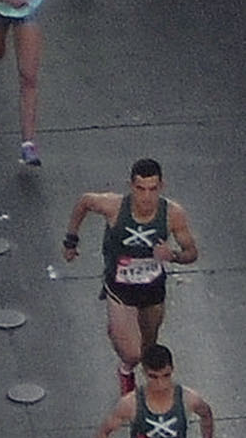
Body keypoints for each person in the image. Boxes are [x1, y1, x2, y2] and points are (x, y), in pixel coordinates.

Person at [60, 160, 200, 391]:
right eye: (140, 188)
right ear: (131, 186)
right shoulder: (115, 207)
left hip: (153, 291)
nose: (146, 197)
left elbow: (192, 253)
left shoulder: (172, 214)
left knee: (148, 349)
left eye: (153, 189)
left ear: (161, 186)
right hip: (120, 290)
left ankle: (135, 366)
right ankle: (125, 367)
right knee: (132, 353)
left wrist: (172, 255)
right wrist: (71, 240)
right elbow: (84, 202)